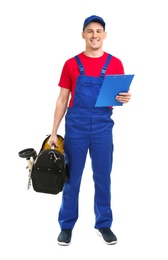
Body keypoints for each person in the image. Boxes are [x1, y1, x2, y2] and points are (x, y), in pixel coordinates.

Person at [48, 15, 131, 246]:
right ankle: (66, 226)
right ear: (83, 35)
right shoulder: (70, 64)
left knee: (103, 177)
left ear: (104, 35)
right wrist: (53, 133)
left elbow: (118, 98)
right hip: (76, 126)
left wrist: (125, 97)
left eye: (99, 31)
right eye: (90, 31)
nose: (94, 35)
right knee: (71, 178)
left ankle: (103, 224)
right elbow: (62, 99)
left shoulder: (115, 63)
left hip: (103, 125)